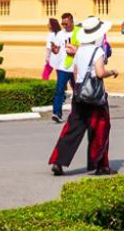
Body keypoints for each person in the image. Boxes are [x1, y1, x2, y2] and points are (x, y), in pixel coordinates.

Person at [49, 16, 114, 175]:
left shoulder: (79, 51)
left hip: (79, 91)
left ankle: (59, 161)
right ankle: (100, 164)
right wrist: (112, 72)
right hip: (95, 94)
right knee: (100, 127)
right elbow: (99, 72)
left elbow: (76, 71)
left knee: (73, 127)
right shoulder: (98, 51)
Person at [48, 12, 77, 122]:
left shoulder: (78, 33)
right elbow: (56, 50)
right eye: (63, 24)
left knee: (77, 91)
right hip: (63, 67)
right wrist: (53, 48)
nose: (64, 26)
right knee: (59, 90)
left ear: (71, 21)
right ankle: (57, 113)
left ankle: (78, 113)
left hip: (76, 67)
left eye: (66, 23)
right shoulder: (60, 34)